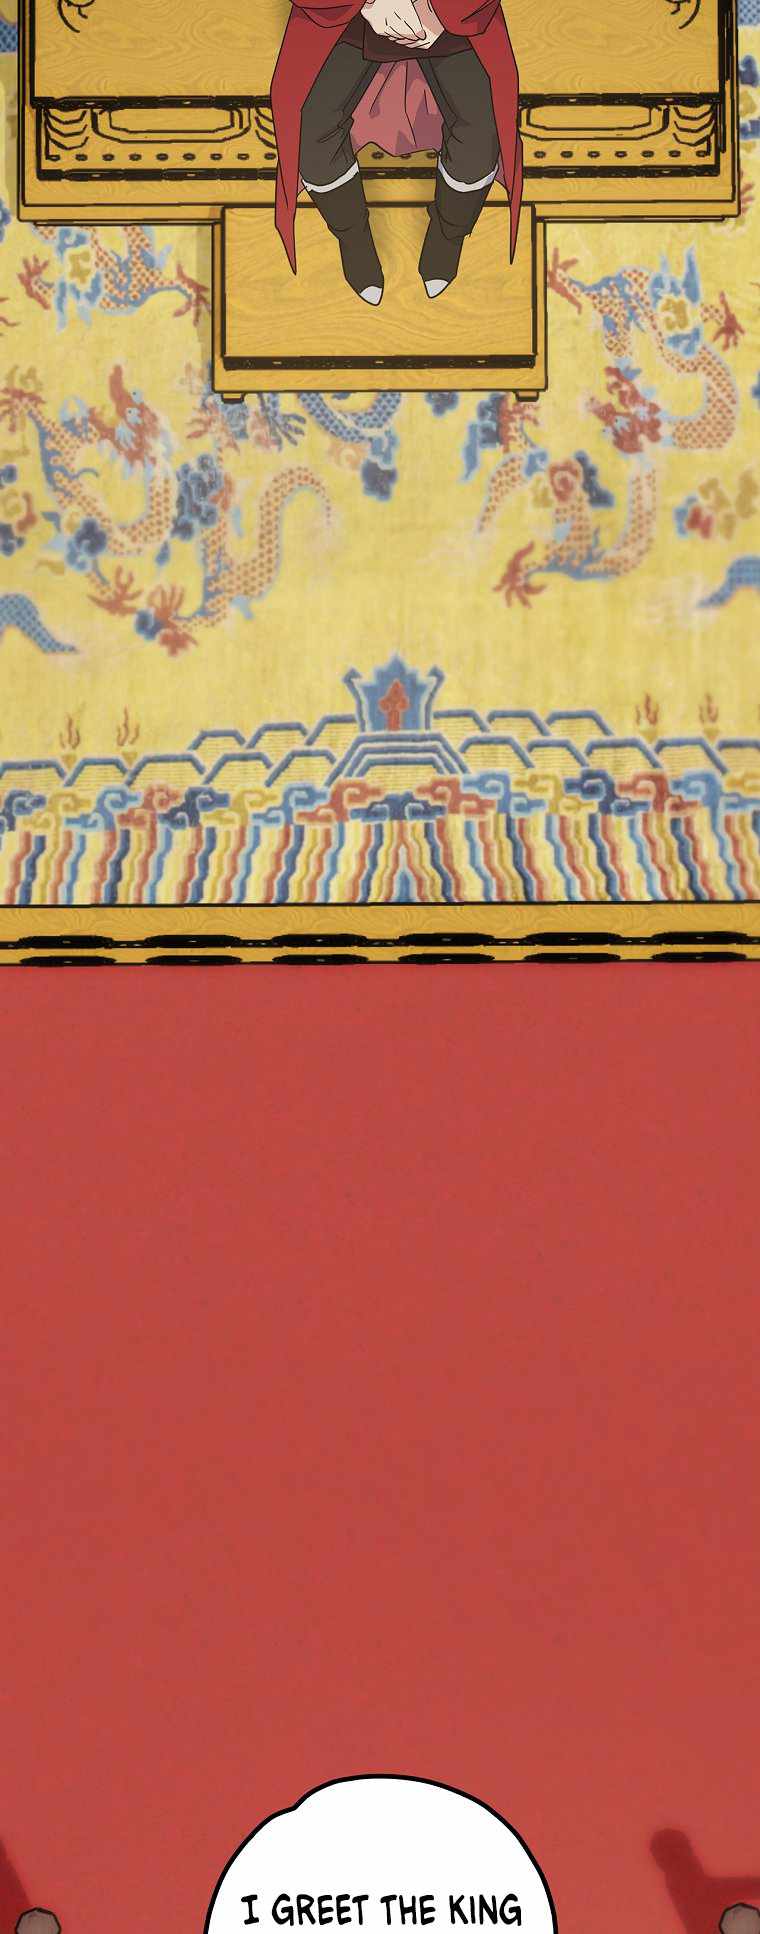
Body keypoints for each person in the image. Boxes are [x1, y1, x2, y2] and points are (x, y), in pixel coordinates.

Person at [271, 0, 523, 306]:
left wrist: (439, 12)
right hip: (345, 15)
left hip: (451, 13)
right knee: (309, 130)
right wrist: (369, 4)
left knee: (482, 132)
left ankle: (449, 235)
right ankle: (352, 238)